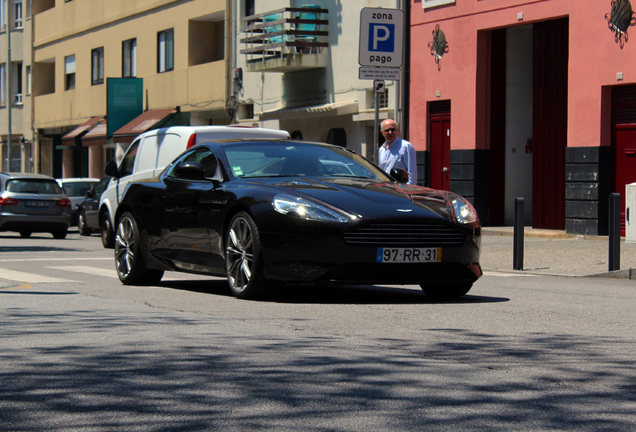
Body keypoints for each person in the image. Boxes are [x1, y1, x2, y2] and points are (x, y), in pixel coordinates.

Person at [378, 119, 418, 185]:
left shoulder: (405, 146)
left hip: (400, 189)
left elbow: (412, 172)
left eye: (393, 130)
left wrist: (409, 190)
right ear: (382, 132)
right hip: (386, 189)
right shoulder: (381, 149)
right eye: (387, 130)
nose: (390, 132)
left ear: (397, 130)